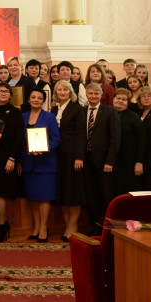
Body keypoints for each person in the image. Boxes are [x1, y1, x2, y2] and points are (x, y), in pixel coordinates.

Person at [19, 87, 61, 242]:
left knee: (44, 197)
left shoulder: (50, 117)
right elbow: (20, 141)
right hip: (28, 162)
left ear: (43, 101)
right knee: (33, 197)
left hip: (46, 164)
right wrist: (19, 162)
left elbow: (56, 139)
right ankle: (36, 226)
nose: (36, 100)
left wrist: (43, 149)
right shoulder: (22, 117)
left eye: (39, 98)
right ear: (29, 100)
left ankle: (43, 227)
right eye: (33, 97)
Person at [0, 82, 24, 242]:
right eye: (0, 91)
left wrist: (12, 158)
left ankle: (2, 225)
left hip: (6, 157)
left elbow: (18, 138)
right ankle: (2, 224)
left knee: (1, 192)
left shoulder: (15, 112)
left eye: (6, 91)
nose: (3, 93)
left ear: (10, 95)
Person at [83, 84, 121, 232]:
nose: (93, 96)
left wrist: (110, 161)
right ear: (86, 94)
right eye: (90, 93)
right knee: (91, 197)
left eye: (96, 94)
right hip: (87, 160)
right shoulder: (82, 110)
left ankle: (107, 229)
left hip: (105, 162)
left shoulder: (110, 111)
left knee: (106, 196)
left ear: (101, 95)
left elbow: (115, 139)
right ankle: (95, 227)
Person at [52, 81, 87, 242]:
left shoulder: (77, 109)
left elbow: (81, 135)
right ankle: (67, 225)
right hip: (58, 156)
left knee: (73, 192)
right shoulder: (53, 109)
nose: (62, 91)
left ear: (70, 92)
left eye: (65, 89)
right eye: (59, 89)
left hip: (73, 156)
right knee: (63, 192)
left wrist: (79, 156)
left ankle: (73, 226)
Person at [111, 88, 145, 196]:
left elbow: (142, 140)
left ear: (128, 102)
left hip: (130, 162)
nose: (120, 101)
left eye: (124, 99)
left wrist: (139, 162)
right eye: (118, 98)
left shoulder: (133, 117)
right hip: (112, 161)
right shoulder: (108, 114)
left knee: (129, 192)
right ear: (113, 99)